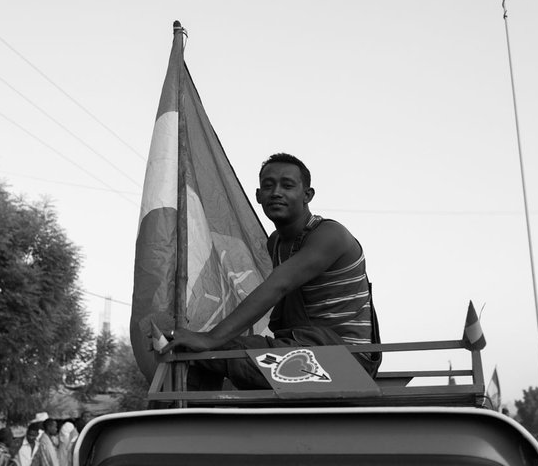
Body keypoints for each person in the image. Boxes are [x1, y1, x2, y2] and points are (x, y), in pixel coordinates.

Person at [162, 153, 381, 389]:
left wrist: (210, 338)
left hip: (345, 359)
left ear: (307, 195)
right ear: (258, 196)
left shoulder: (330, 235)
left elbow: (279, 285)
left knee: (216, 350)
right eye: (268, 186)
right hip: (301, 346)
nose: (276, 192)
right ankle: (195, 420)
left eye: (287, 185)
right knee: (193, 353)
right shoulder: (276, 241)